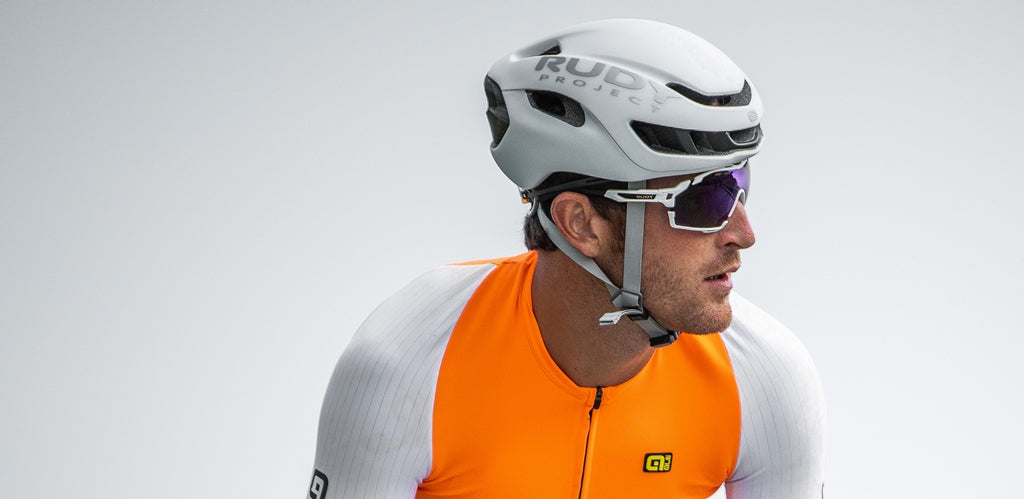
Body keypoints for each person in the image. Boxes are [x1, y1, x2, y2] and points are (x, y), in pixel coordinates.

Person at [309, 19, 825, 499]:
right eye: (704, 201)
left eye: (739, 186)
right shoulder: (407, 362)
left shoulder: (764, 375)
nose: (743, 234)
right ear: (581, 223)